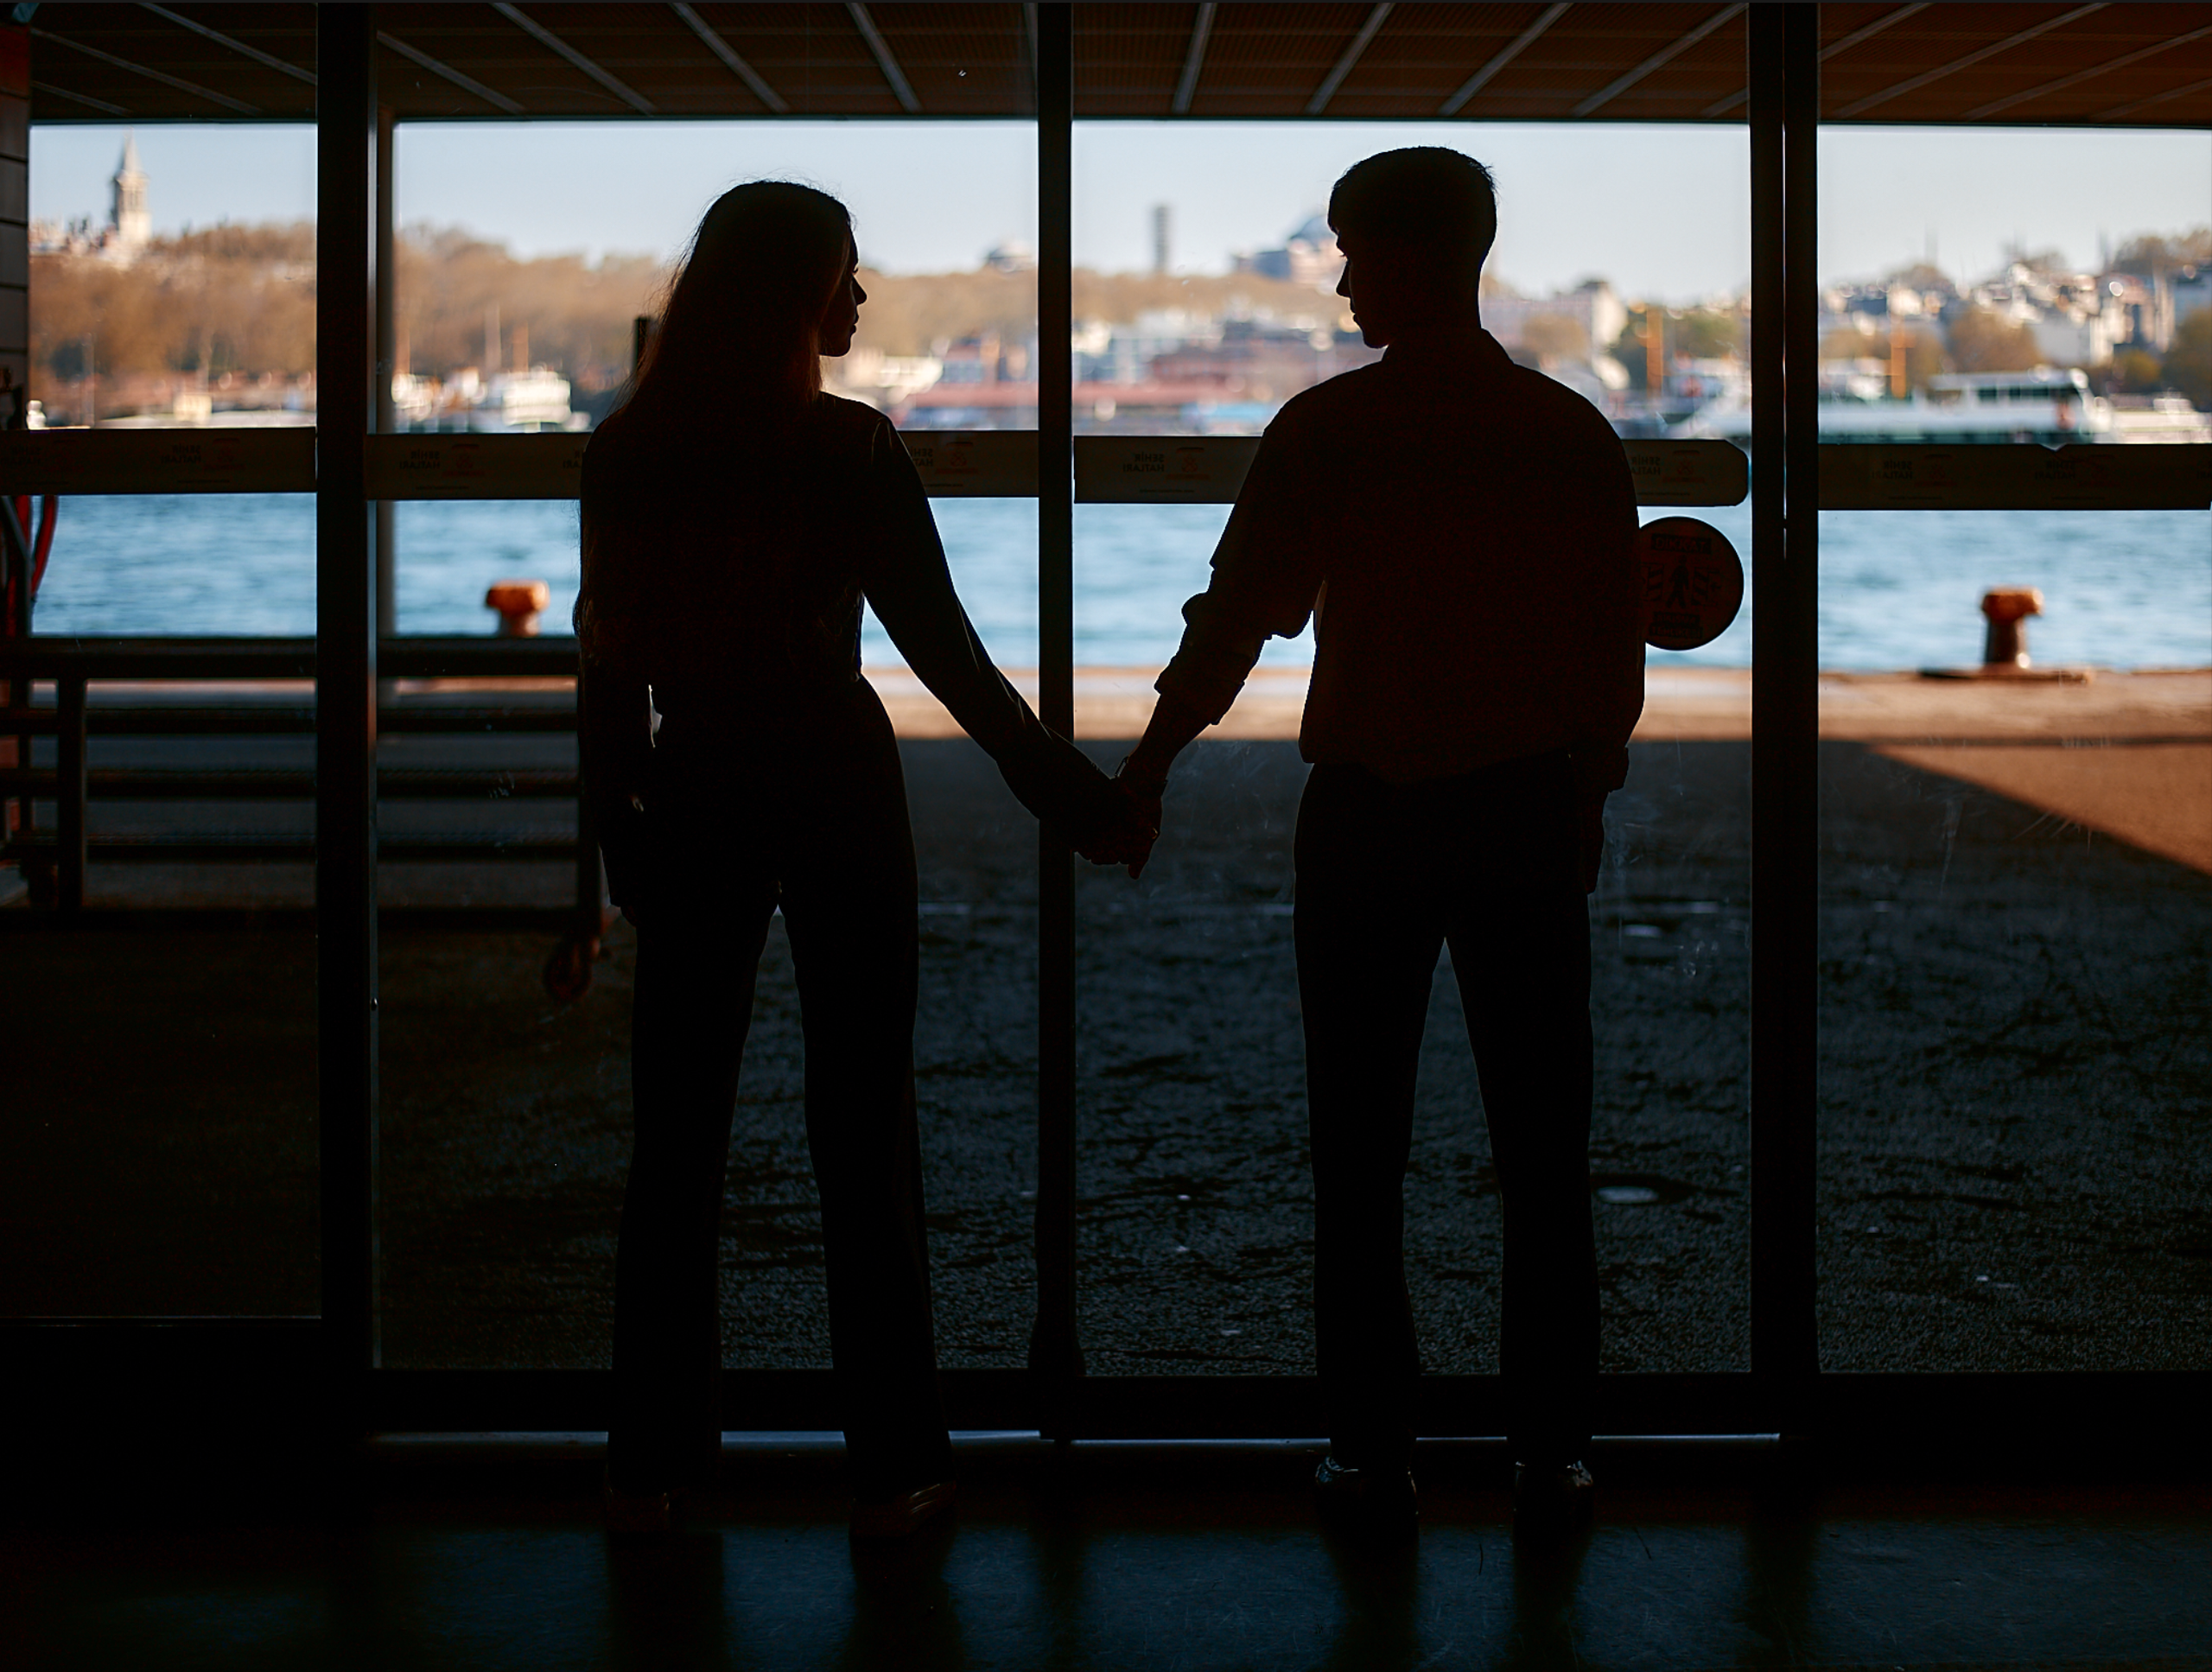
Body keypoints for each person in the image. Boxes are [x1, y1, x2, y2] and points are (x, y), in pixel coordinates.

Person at [576, 181, 1144, 1541]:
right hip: (834, 772)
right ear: (796, 293)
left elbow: (608, 666)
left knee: (678, 1141)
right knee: (862, 1127)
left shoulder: (635, 446)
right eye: (846, 273)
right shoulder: (850, 448)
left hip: (698, 775)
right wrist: (1071, 794)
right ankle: (895, 1462)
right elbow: (949, 656)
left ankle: (652, 1462)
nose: (861, 296)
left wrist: (619, 835)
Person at [1112, 148, 1643, 1540]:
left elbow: (1233, 619)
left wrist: (1151, 767)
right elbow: (1605, 646)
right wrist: (1590, 784)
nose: (1340, 276)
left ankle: (1372, 1447)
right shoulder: (1566, 431)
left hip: (1365, 813)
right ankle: (1551, 1448)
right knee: (1542, 1141)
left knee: (1358, 1143)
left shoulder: (1329, 429)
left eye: (1352, 252)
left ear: (1405, 260)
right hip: (1524, 803)